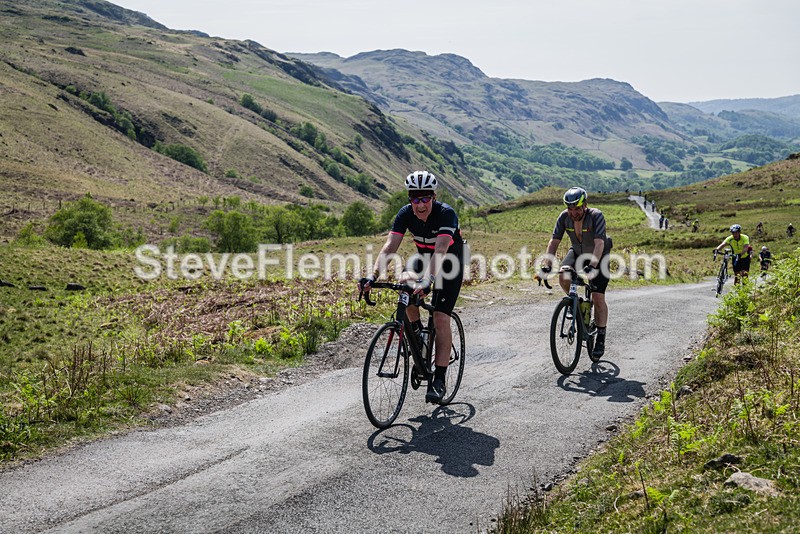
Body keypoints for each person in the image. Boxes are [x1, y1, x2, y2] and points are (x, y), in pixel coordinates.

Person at [359, 170, 465, 404]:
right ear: (410, 200)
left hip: (450, 262)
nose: (420, 204)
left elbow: (440, 251)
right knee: (404, 284)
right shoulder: (405, 214)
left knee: (440, 317)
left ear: (433, 197)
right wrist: (372, 275)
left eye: (425, 198)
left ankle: (439, 378)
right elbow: (389, 247)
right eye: (415, 198)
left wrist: (428, 281)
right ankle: (417, 335)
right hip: (423, 258)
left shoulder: (446, 214)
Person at [541, 187, 612, 359]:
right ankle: (576, 303)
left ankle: (600, 337)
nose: (573, 213)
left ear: (585, 205)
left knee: (597, 296)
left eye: (577, 209)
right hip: (577, 252)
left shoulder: (595, 216)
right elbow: (554, 241)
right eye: (570, 209)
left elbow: (599, 244)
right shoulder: (564, 218)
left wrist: (593, 265)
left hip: (598, 255)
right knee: (563, 274)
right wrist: (547, 263)